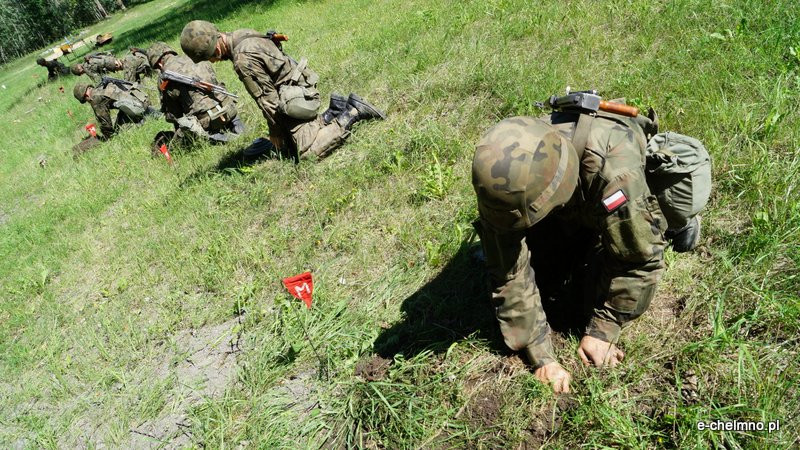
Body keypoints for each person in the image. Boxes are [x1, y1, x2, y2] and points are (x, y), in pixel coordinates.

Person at [471, 108, 700, 394]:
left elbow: (640, 260)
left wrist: (603, 330)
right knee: (546, 269)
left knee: (636, 234)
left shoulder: (615, 174)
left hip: (611, 176)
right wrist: (541, 355)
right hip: (572, 195)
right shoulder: (504, 183)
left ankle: (680, 224)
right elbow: (509, 272)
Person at [179, 20, 385, 160]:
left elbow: (267, 101)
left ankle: (354, 111)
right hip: (298, 86)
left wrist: (275, 133)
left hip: (295, 98)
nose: (213, 62)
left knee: (307, 153)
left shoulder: (242, 60)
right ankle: (333, 110)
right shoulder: (240, 35)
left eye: (210, 57)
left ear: (215, 47)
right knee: (287, 147)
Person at [146, 42, 244, 145]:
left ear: (158, 64)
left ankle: (222, 139)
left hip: (206, 121)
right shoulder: (193, 57)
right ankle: (239, 131)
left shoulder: (165, 77)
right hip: (228, 108)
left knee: (179, 144)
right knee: (237, 127)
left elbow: (175, 114)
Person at [72, 79, 156, 139]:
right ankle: (150, 114)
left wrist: (107, 137)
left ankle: (141, 121)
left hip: (137, 108)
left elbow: (106, 123)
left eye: (85, 100)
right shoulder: (102, 86)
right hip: (142, 99)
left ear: (85, 96)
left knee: (119, 131)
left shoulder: (95, 99)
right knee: (120, 118)